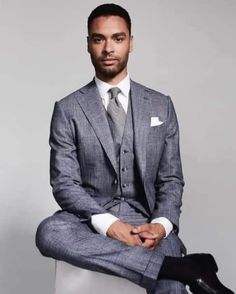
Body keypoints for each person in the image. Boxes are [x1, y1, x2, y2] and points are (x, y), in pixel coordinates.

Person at [35, 3, 234, 294]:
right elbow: (64, 183)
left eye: (118, 38)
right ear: (88, 45)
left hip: (147, 220)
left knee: (170, 279)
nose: (108, 49)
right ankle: (182, 268)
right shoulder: (68, 109)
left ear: (131, 42)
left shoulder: (160, 104)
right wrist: (110, 224)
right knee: (49, 232)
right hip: (91, 220)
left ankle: (171, 270)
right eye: (98, 39)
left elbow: (170, 179)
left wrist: (162, 225)